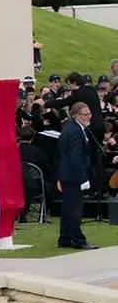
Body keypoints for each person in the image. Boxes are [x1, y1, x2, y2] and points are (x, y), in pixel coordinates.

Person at [58, 102, 94, 248]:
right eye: (86, 114)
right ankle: (77, 239)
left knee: (68, 209)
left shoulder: (74, 129)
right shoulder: (75, 131)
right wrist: (82, 178)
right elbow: (75, 157)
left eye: (89, 113)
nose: (89, 116)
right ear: (76, 116)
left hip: (68, 174)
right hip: (72, 176)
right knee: (74, 210)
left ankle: (65, 238)